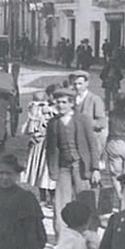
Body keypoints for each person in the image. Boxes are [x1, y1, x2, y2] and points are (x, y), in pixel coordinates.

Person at [47, 87, 99, 241]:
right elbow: (50, 149)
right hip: (63, 167)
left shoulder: (82, 120)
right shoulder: (53, 123)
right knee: (60, 203)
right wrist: (52, 170)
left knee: (86, 201)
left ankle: (90, 237)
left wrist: (95, 168)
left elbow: (92, 145)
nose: (60, 105)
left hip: (81, 166)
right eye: (58, 102)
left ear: (71, 103)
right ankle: (61, 237)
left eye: (64, 102)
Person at [100, 93, 125, 215]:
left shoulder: (109, 115)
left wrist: (102, 152)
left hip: (113, 142)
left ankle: (122, 199)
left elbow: (104, 133)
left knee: (115, 174)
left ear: (114, 102)